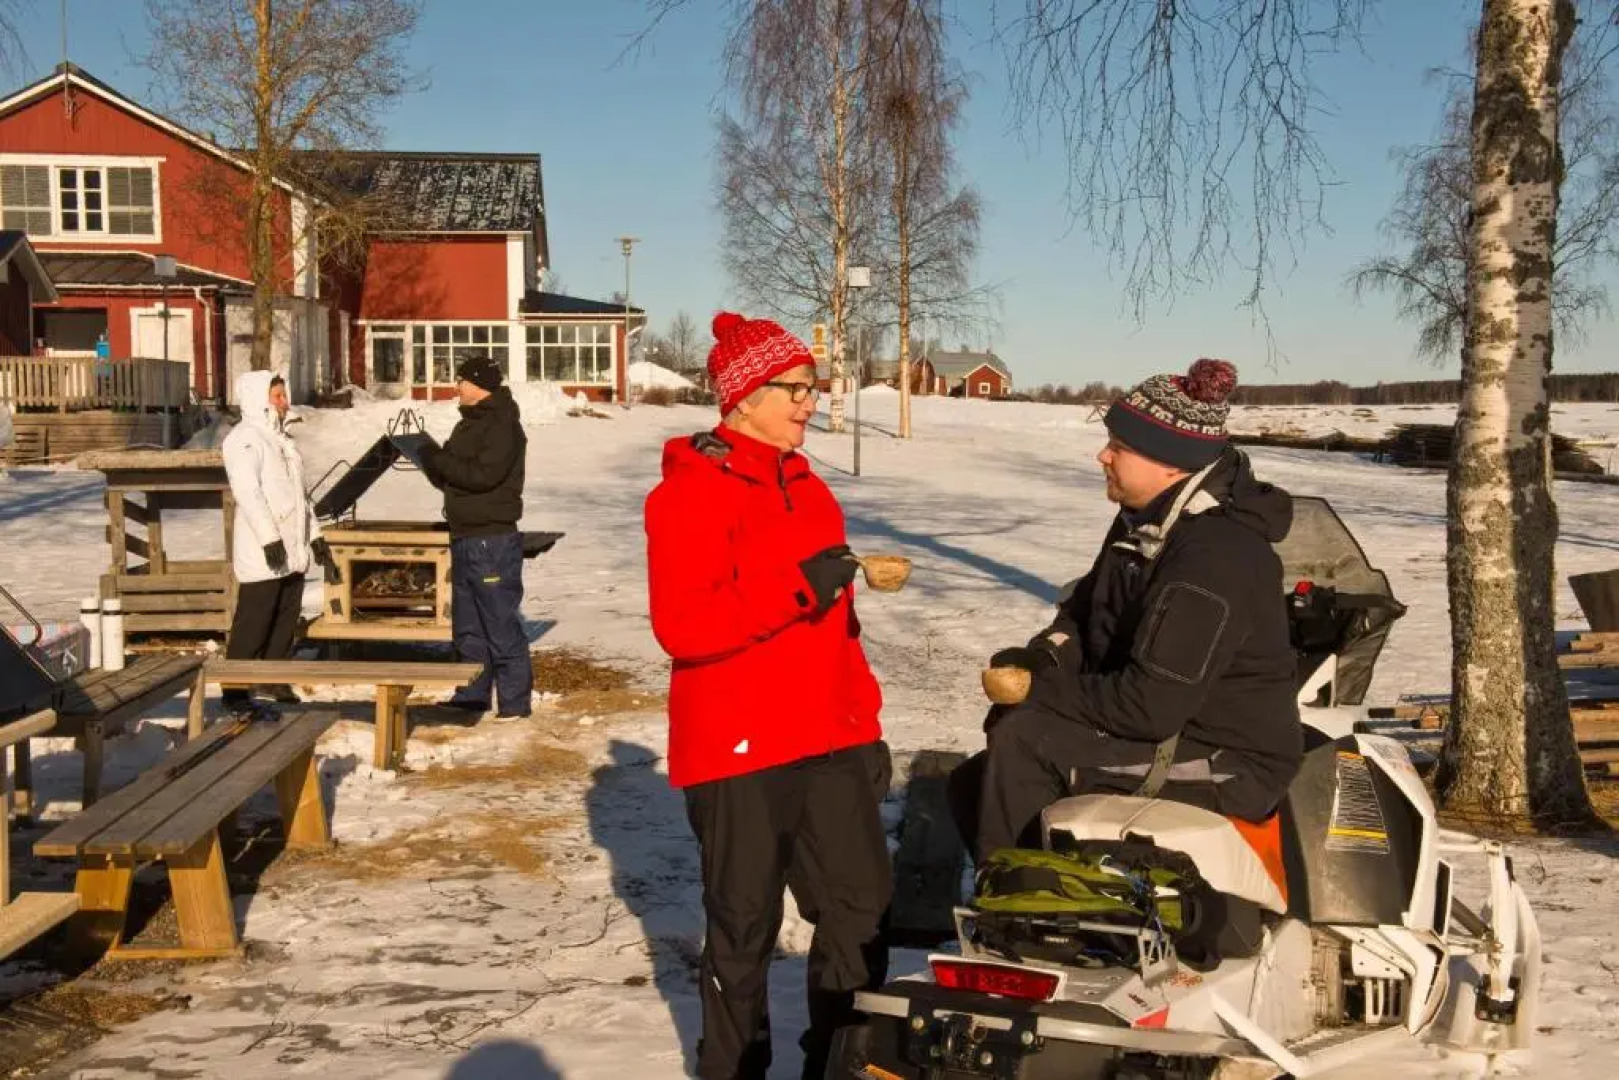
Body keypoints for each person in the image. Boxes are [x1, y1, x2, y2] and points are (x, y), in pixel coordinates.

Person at [644, 312, 892, 1080]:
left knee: (859, 910)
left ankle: (841, 1063)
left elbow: (833, 627)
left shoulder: (809, 485)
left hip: (830, 738)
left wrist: (863, 719)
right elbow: (683, 627)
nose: (809, 402)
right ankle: (733, 1068)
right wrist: (797, 585)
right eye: (793, 389)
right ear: (743, 396)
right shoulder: (687, 494)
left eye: (813, 388)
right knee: (744, 929)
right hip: (739, 744)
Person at [950, 359, 1302, 862]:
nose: (1103, 456)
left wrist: (1038, 692)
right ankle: (1050, 892)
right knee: (973, 782)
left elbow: (1150, 706)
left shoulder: (1216, 556)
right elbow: (1084, 612)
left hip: (1228, 758)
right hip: (1169, 728)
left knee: (1025, 742)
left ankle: (1032, 910)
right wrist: (1042, 660)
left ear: (1170, 462)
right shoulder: (1144, 524)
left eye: (1119, 446)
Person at [418, 355, 533, 720]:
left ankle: (514, 703)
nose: (457, 387)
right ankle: (472, 693)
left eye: (461, 380)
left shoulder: (501, 425)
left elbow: (482, 476)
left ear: (478, 385)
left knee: (499, 621)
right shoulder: (469, 424)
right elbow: (452, 475)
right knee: (468, 624)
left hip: (491, 540)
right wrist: (430, 461)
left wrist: (439, 460)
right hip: (466, 534)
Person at [221, 369, 338, 711]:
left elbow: (299, 497)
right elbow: (249, 493)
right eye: (278, 396)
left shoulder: (283, 442)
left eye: (284, 395)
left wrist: (315, 537)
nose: (285, 403)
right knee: (255, 619)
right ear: (261, 401)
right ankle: (235, 688)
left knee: (285, 618)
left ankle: (274, 676)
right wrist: (270, 539)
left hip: (293, 545)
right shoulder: (244, 439)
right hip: (264, 548)